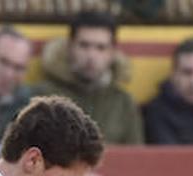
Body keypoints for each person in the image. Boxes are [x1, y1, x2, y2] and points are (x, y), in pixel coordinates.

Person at [33, 10, 143, 146]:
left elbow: (136, 158)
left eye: (100, 48)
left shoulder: (124, 104)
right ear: (70, 46)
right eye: (84, 45)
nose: (91, 56)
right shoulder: (41, 97)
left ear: (112, 52)